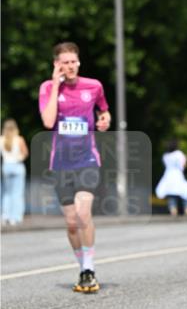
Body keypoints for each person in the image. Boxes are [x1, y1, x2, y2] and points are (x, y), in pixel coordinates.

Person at [38, 42, 111, 293]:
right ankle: (82, 267)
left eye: (73, 61)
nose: (70, 66)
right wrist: (55, 83)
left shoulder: (94, 86)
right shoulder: (48, 88)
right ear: (56, 64)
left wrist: (105, 120)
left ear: (78, 62)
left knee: (82, 214)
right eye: (64, 62)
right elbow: (48, 121)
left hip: (87, 160)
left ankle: (89, 268)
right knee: (71, 223)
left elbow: (104, 111)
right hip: (61, 164)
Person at [155, 140, 187, 216]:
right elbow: (182, 166)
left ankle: (173, 210)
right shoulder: (179, 154)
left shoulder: (165, 156)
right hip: (177, 175)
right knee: (186, 191)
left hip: (168, 176)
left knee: (171, 194)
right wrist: (185, 160)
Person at [1, 119, 29, 225]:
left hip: (6, 166)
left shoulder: (1, 139)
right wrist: (18, 158)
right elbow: (25, 153)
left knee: (7, 193)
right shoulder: (19, 139)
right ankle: (15, 217)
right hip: (17, 166)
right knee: (17, 193)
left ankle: (5, 215)